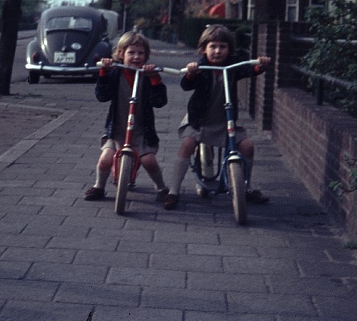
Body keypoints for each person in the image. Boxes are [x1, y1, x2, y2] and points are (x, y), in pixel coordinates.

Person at [163, 24, 271, 210]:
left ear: (229, 50)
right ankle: (173, 191)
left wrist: (260, 66)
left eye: (222, 47)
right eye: (212, 46)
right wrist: (191, 73)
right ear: (204, 49)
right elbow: (186, 85)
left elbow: (248, 70)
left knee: (247, 147)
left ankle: (246, 187)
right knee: (187, 145)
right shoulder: (201, 67)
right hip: (200, 122)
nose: (218, 51)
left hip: (225, 122)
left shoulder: (233, 65)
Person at [84, 32, 170, 202]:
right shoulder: (116, 74)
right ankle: (99, 187)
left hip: (141, 132)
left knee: (149, 161)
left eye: (141, 53)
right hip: (117, 129)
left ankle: (161, 188)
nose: (136, 57)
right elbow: (102, 96)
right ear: (121, 54)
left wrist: (155, 80)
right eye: (131, 53)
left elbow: (159, 102)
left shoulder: (147, 76)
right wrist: (104, 73)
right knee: (105, 159)